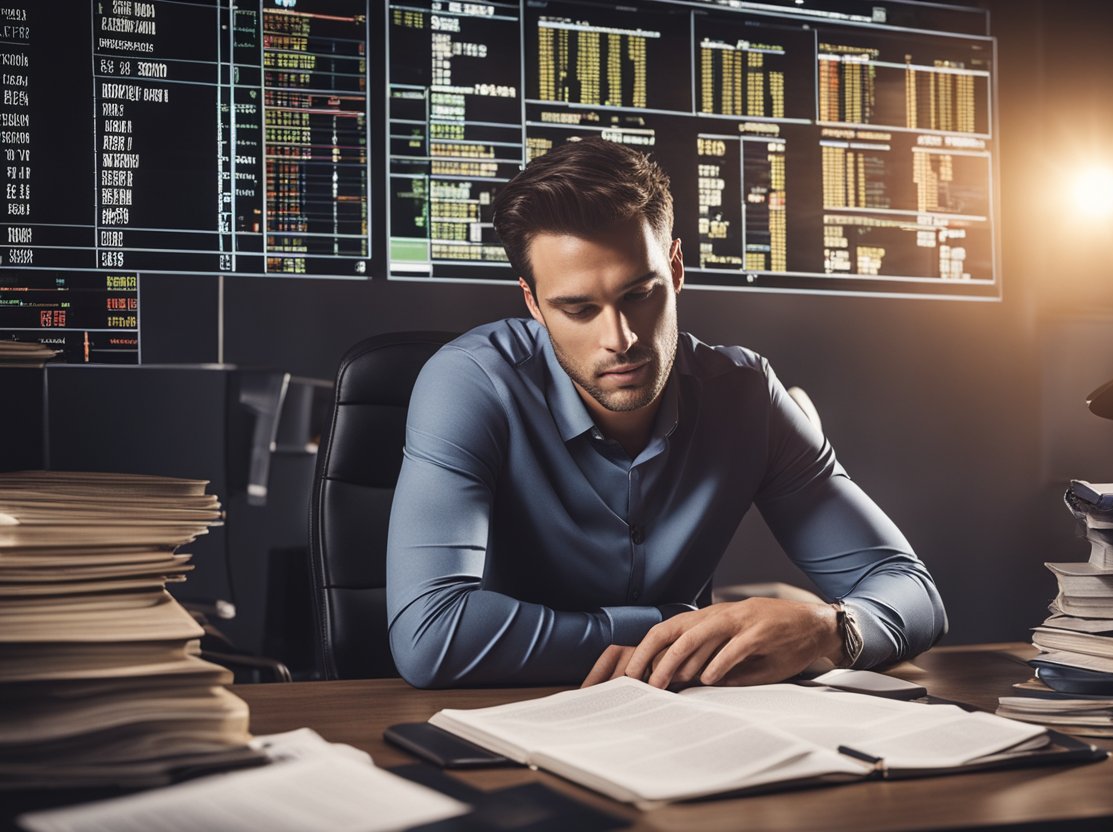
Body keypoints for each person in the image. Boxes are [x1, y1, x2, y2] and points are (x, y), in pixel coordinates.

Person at [386, 138, 946, 689]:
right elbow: (432, 635)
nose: (621, 339)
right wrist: (682, 628)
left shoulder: (747, 395)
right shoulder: (470, 383)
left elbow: (911, 590)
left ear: (675, 269)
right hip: (509, 722)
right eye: (579, 309)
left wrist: (829, 628)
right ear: (533, 304)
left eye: (640, 294)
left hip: (691, 723)